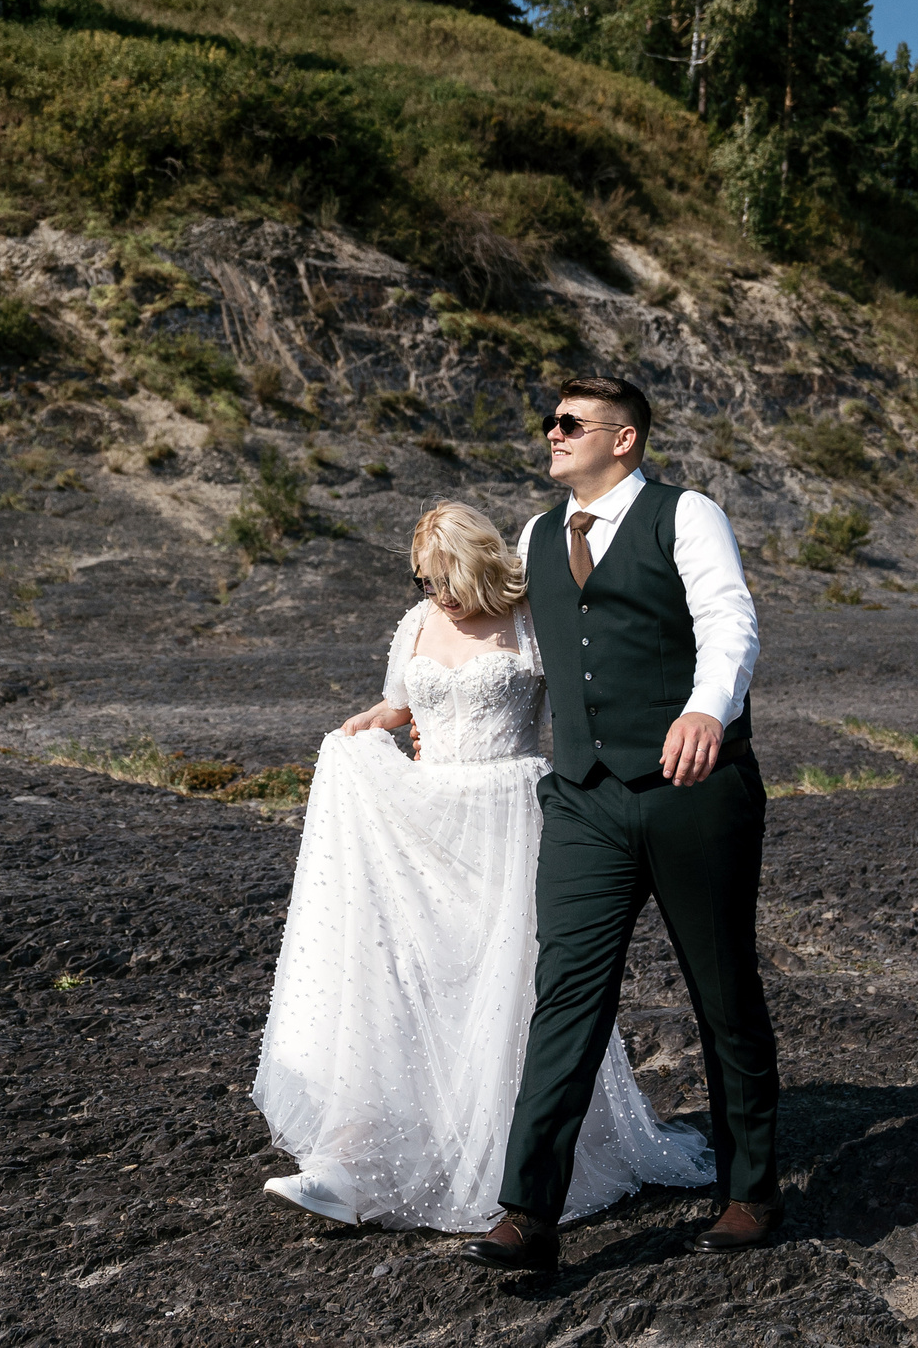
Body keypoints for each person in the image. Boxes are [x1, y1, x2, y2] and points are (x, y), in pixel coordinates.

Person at [250, 500, 714, 1231]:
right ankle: (352, 1164)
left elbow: (582, 700)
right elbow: (402, 706)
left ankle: (513, 1160)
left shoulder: (532, 618)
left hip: (513, 818)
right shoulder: (416, 624)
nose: (438, 594)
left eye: (447, 578)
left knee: (514, 991)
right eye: (425, 580)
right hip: (430, 822)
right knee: (409, 984)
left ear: (479, 564)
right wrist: (369, 726)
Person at [460, 375, 778, 1275]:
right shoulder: (534, 534)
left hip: (693, 788)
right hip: (584, 798)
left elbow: (730, 621)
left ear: (625, 439)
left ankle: (751, 1189)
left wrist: (710, 709)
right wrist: (403, 702)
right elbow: (494, 641)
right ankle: (527, 1212)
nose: (551, 434)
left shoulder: (687, 515)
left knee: (724, 995)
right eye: (550, 422)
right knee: (565, 997)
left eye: (570, 423)